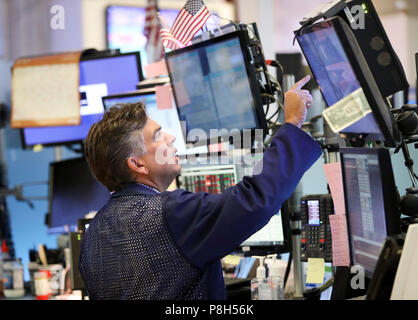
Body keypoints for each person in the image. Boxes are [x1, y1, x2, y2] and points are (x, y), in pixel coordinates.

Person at [79, 75, 322, 300]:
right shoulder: (169, 214)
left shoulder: (92, 235)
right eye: (157, 136)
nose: (171, 138)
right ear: (137, 164)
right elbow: (255, 200)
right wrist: (292, 123)